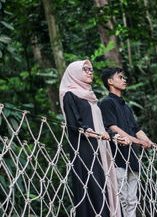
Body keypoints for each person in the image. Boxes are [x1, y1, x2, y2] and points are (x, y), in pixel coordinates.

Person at [100, 67, 157, 217]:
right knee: (121, 199)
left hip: (132, 158)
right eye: (120, 77)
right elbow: (113, 127)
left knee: (132, 201)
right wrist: (138, 142)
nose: (124, 80)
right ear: (110, 81)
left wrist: (153, 145)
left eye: (124, 77)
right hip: (117, 159)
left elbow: (137, 130)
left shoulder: (125, 107)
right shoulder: (106, 103)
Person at [59, 60, 122, 217]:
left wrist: (113, 136)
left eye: (91, 70)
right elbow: (75, 125)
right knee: (92, 188)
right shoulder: (69, 95)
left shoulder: (91, 98)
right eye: (85, 69)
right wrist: (98, 135)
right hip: (85, 151)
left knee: (105, 187)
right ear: (74, 73)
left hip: (101, 149)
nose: (89, 72)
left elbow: (100, 126)